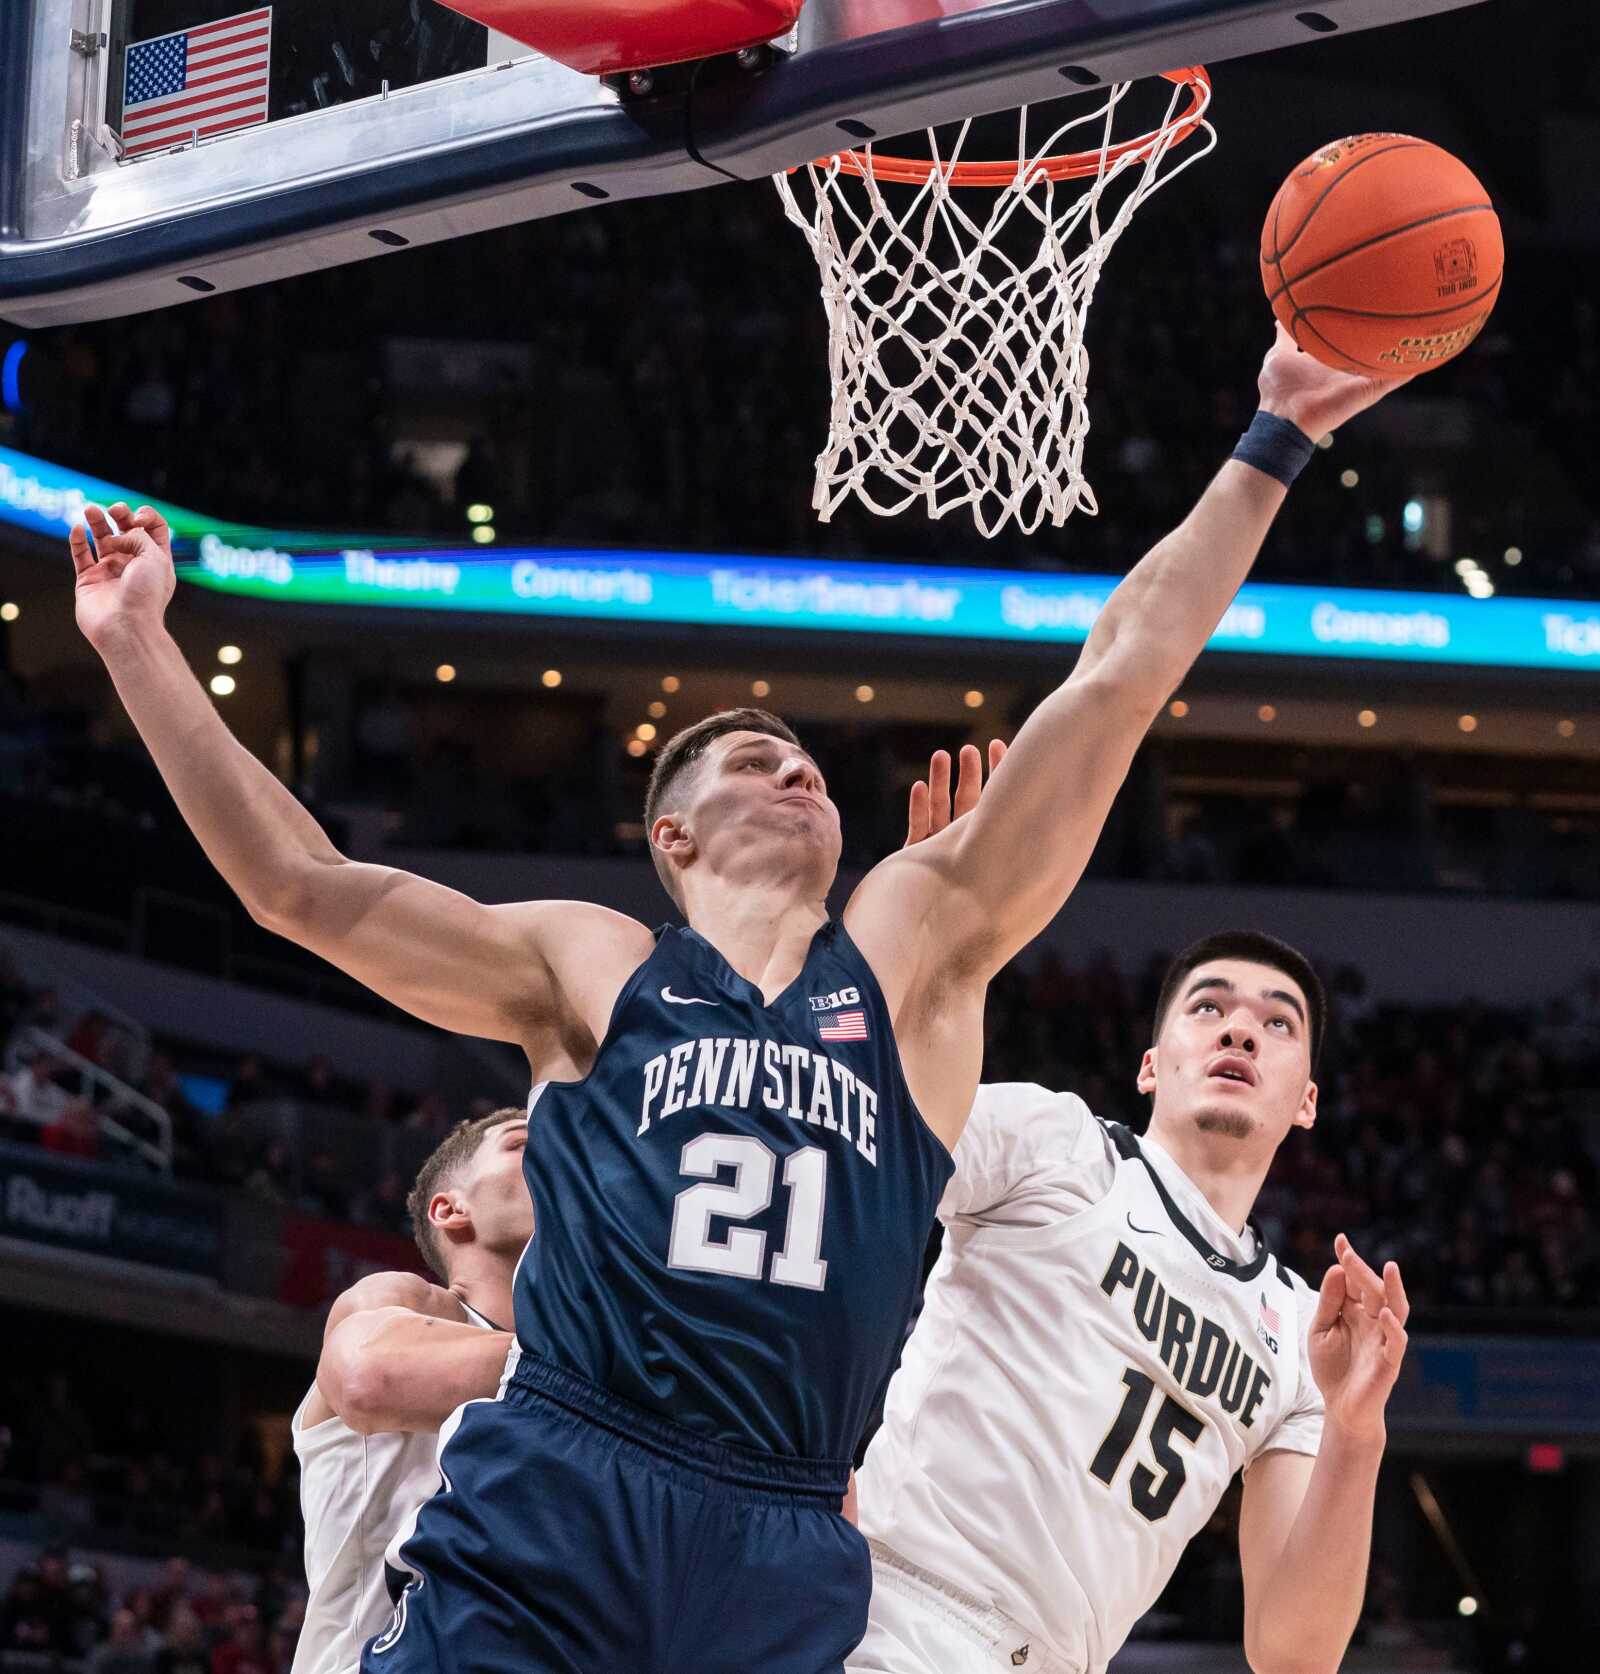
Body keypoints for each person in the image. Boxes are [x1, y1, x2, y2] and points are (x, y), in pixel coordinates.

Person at [68, 326, 1401, 1674]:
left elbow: (1116, 680)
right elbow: (305, 885)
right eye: (753, 758)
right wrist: (137, 647)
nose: (796, 768)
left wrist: (1275, 439)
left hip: (785, 1531)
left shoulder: (912, 953)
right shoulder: (593, 966)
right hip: (567, 1478)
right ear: (674, 840)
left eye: (811, 759)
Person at [848, 762, 1411, 1674]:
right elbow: (863, 1147)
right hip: (888, 1610)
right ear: (1151, 1064)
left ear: (1307, 1099)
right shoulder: (1056, 1143)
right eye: (1209, 1008)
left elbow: (1292, 1652)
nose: (1238, 1031)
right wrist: (924, 966)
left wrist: (1356, 1433)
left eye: (1276, 1024)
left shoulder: (1305, 1334)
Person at [291, 1109, 528, 1674]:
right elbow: (364, 1377)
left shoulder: (598, 1366)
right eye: (523, 1143)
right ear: (451, 1209)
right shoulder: (406, 1302)